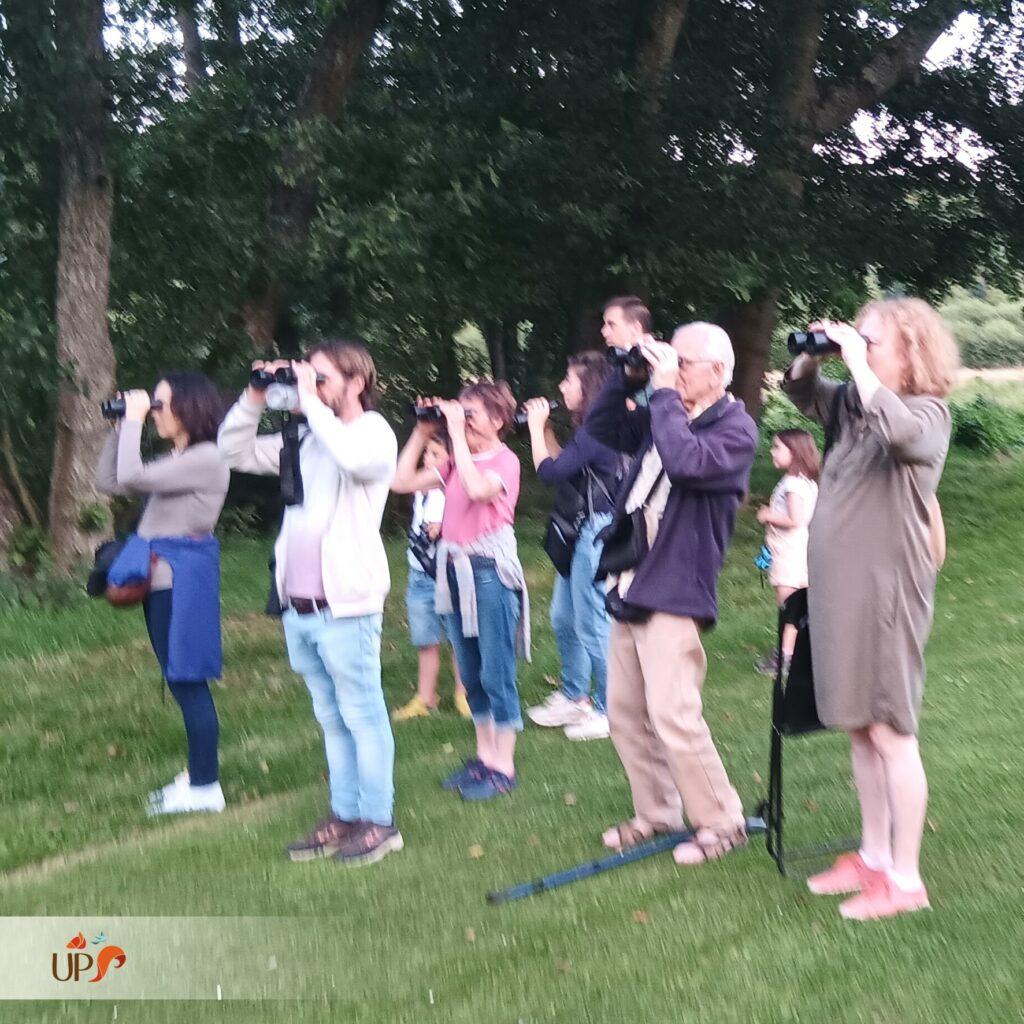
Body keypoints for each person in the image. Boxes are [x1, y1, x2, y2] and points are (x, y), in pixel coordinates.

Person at [782, 299, 958, 921]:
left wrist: (857, 364)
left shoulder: (928, 413)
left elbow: (905, 438)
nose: (861, 347)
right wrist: (816, 348)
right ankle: (873, 856)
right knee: (858, 725)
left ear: (909, 350)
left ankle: (905, 880)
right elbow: (800, 391)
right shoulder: (853, 403)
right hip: (841, 588)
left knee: (889, 728)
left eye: (873, 340)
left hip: (886, 592)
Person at [218, 341, 403, 867]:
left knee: (363, 714)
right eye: (308, 377)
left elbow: (349, 456)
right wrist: (255, 395)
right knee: (331, 717)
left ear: (357, 383)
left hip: (346, 604)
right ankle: (345, 815)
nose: (312, 387)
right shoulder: (306, 437)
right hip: (299, 607)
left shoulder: (372, 433)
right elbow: (233, 452)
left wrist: (309, 401)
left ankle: (379, 821)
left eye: (323, 378)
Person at [585, 322, 757, 864]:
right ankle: (657, 812)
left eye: (685, 363)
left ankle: (722, 821)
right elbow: (602, 427)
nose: (675, 371)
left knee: (674, 713)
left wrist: (660, 392)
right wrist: (628, 374)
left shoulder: (735, 430)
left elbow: (685, 462)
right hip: (631, 580)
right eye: (673, 361)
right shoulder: (665, 412)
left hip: (676, 587)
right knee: (625, 710)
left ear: (720, 372)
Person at [95, 372, 230, 815]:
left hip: (182, 583)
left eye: (161, 403)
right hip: (162, 581)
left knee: (187, 681)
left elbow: (131, 477)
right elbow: (110, 481)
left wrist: (134, 420)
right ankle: (197, 774)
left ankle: (206, 787)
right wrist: (121, 427)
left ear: (189, 407)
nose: (155, 411)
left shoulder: (208, 457)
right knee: (179, 680)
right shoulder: (182, 457)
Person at [392, 381, 529, 801]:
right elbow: (401, 482)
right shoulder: (454, 462)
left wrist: (455, 438)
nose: (463, 421)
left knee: (496, 670)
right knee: (470, 673)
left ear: (498, 421)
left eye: (471, 414)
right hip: (453, 571)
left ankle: (504, 764)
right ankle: (485, 757)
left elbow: (477, 490)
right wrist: (421, 430)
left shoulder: (506, 462)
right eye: (461, 412)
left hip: (489, 573)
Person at [523, 352, 620, 740]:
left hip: (597, 533)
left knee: (593, 622)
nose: (562, 387)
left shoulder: (600, 431)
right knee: (564, 617)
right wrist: (546, 430)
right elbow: (567, 464)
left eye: (568, 379)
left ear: (589, 387)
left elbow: (549, 473)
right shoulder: (591, 431)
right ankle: (574, 695)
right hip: (580, 531)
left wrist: (534, 428)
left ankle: (608, 708)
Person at [392, 429, 469, 721]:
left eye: (436, 454)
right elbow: (403, 477)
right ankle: (426, 698)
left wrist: (443, 525)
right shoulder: (421, 489)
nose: (428, 458)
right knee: (426, 638)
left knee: (458, 638)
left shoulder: (455, 485)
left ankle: (464, 693)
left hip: (448, 572)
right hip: (420, 573)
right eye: (427, 453)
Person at [754, 430, 820, 675]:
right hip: (796, 550)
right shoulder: (806, 481)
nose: (772, 451)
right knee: (797, 604)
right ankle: (800, 652)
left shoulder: (793, 484)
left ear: (795, 453)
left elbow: (796, 518)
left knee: (788, 605)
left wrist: (767, 515)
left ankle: (786, 657)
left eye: (777, 447)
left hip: (789, 553)